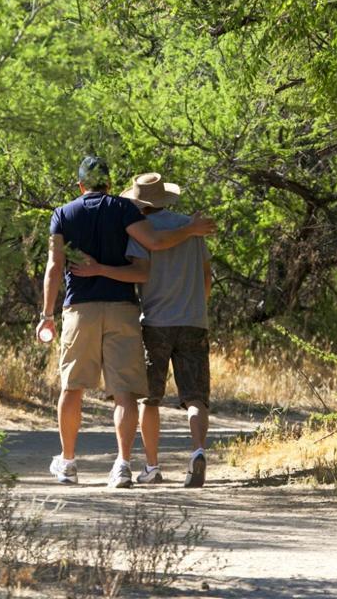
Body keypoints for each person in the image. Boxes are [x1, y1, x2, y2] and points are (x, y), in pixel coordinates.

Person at [36, 156, 215, 488]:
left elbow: (53, 265)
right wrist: (190, 228)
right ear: (108, 182)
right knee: (126, 393)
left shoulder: (62, 214)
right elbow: (156, 244)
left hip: (80, 309)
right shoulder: (125, 211)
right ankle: (122, 464)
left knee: (72, 387)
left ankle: (69, 462)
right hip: (123, 308)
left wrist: (47, 314)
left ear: (79, 185)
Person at [119, 173, 213, 488]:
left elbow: (138, 275)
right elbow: (206, 277)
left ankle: (152, 465)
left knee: (150, 398)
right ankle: (198, 450)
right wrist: (195, 304)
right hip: (194, 319)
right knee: (196, 397)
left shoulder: (141, 232)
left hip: (155, 321)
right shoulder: (192, 227)